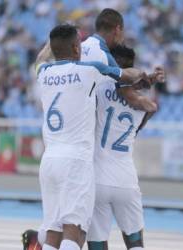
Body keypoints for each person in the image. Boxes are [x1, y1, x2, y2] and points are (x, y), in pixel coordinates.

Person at [35, 23, 152, 250]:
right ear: (77, 48)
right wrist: (147, 77)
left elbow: (39, 59)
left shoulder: (44, 73)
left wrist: (54, 40)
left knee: (52, 230)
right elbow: (128, 75)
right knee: (74, 230)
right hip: (76, 161)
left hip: (49, 160)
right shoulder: (89, 71)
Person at [87, 45, 157, 250]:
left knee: (97, 241)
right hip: (126, 178)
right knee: (135, 242)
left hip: (97, 176)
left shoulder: (98, 88)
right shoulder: (142, 103)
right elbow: (146, 116)